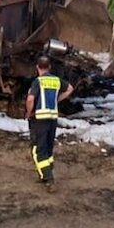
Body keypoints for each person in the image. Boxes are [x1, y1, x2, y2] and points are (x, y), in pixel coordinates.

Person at [25, 55, 71, 186]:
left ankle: (48, 178)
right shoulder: (56, 80)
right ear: (49, 67)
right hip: (53, 118)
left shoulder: (38, 81)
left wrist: (29, 112)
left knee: (38, 149)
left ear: (37, 67)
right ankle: (46, 174)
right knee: (48, 147)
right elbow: (70, 89)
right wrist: (56, 99)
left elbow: (30, 99)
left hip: (40, 119)